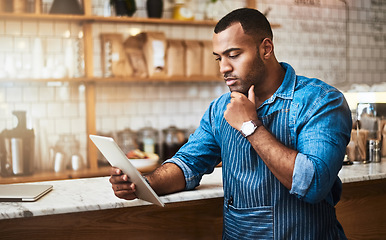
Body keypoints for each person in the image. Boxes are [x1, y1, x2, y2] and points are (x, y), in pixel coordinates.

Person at [109, 8, 352, 240]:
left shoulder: (321, 100)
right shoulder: (220, 110)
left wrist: (250, 125)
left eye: (234, 55)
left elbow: (313, 184)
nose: (224, 67)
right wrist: (142, 184)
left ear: (266, 48)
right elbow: (187, 165)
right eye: (219, 58)